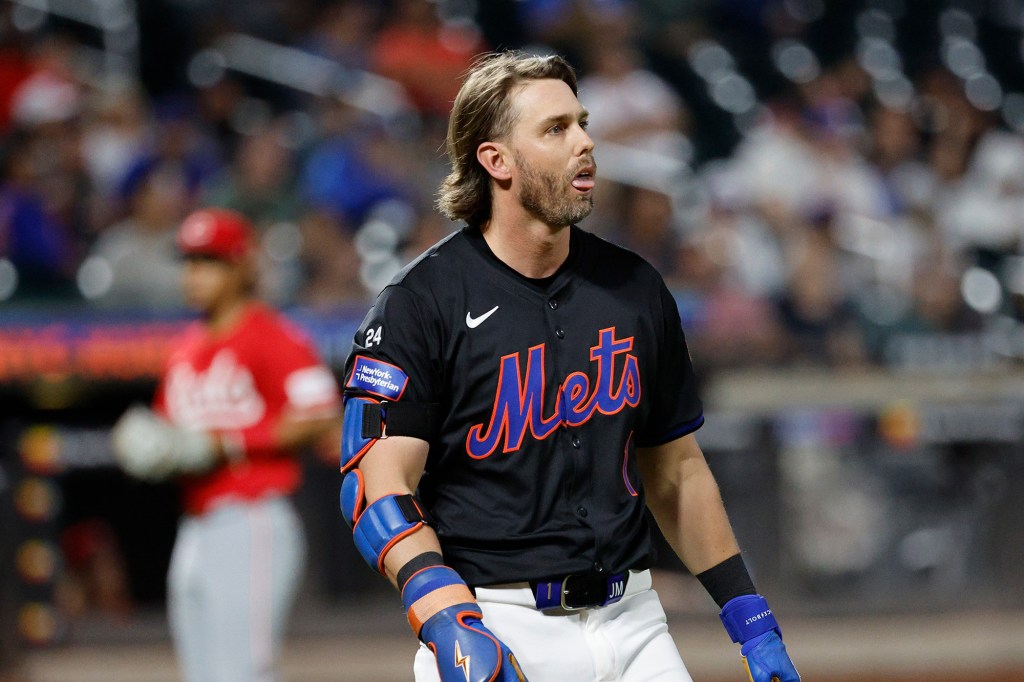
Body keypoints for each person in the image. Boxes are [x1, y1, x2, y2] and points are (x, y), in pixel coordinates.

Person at [339, 51, 800, 682]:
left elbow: (677, 472)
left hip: (636, 621)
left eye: (582, 123)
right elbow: (375, 487)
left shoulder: (635, 289)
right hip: (497, 622)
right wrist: (444, 615)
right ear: (495, 159)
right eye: (556, 129)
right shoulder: (421, 304)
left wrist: (752, 620)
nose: (586, 142)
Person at [110, 207, 342, 682]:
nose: (195, 274)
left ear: (242, 265)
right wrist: (154, 449)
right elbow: (171, 436)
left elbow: (320, 415)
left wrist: (228, 443)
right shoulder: (184, 349)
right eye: (189, 262)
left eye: (209, 261)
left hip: (253, 519)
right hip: (194, 526)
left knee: (243, 672)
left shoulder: (273, 336)